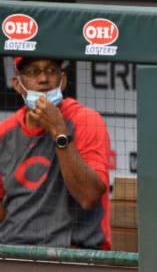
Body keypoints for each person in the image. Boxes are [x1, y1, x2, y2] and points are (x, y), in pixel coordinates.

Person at [0, 57, 111, 250]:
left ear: (63, 80)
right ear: (18, 84)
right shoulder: (5, 132)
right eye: (33, 71)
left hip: (73, 255)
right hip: (13, 252)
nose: (43, 79)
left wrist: (58, 130)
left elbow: (89, 196)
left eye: (51, 70)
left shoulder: (86, 120)